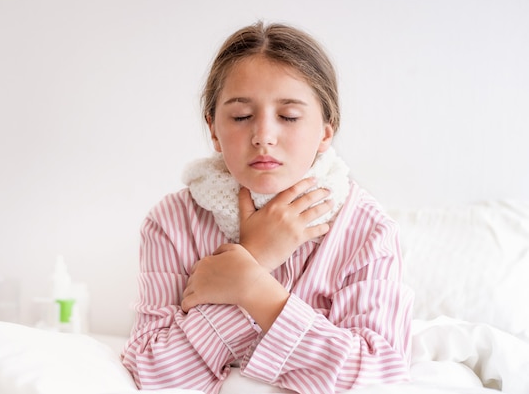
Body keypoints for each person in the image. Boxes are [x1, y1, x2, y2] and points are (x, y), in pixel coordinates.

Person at [120, 21, 413, 394]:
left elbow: (379, 377)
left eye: (288, 117)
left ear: (326, 130)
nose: (263, 136)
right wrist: (256, 254)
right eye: (241, 117)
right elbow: (152, 371)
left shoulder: (368, 228)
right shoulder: (170, 222)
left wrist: (252, 286)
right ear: (213, 129)